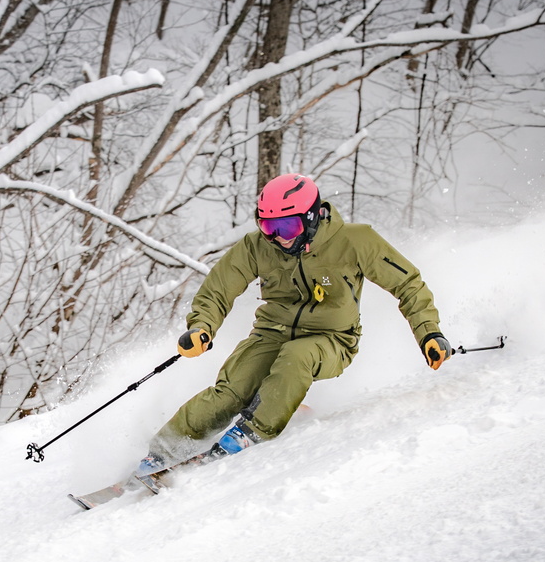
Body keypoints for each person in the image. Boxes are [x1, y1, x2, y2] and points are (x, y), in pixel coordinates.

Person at [138, 172, 451, 476]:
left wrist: (429, 333)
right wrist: (202, 327)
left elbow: (408, 284)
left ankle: (251, 431)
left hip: (332, 338)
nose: (276, 236)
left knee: (295, 359)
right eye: (267, 226)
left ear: (312, 217)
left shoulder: (354, 241)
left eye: (286, 226)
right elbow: (219, 287)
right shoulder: (257, 246)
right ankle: (163, 451)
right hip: (271, 333)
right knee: (231, 392)